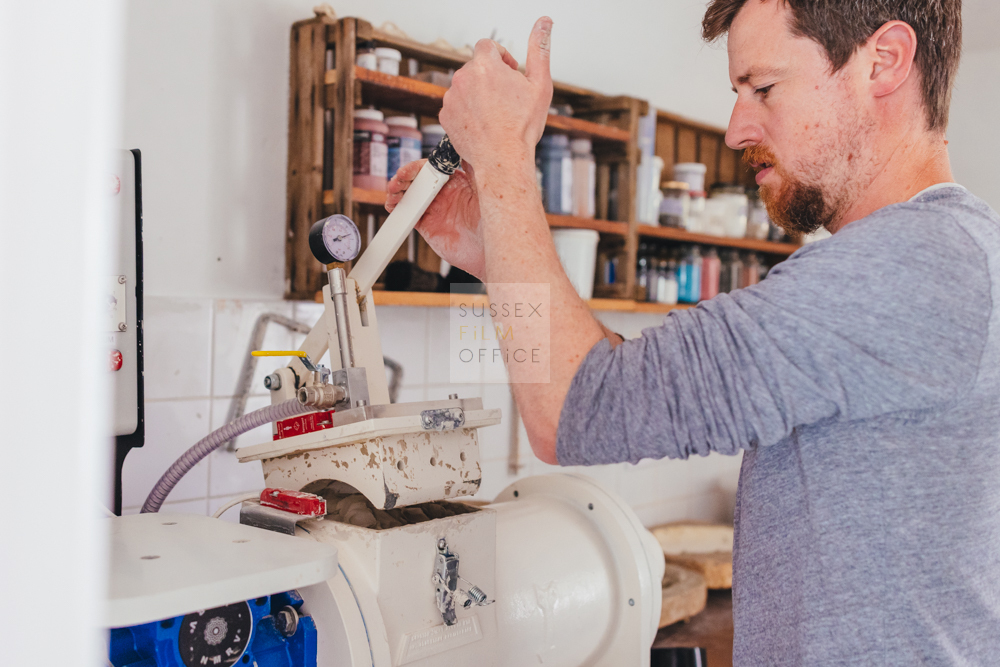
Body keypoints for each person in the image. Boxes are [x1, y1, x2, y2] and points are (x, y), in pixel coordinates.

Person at [386, 1, 1000, 664]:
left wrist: (504, 156)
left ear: (884, 61)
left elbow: (572, 408)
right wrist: (495, 250)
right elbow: (605, 387)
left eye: (764, 87)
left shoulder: (911, 265)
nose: (736, 130)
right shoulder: (948, 255)